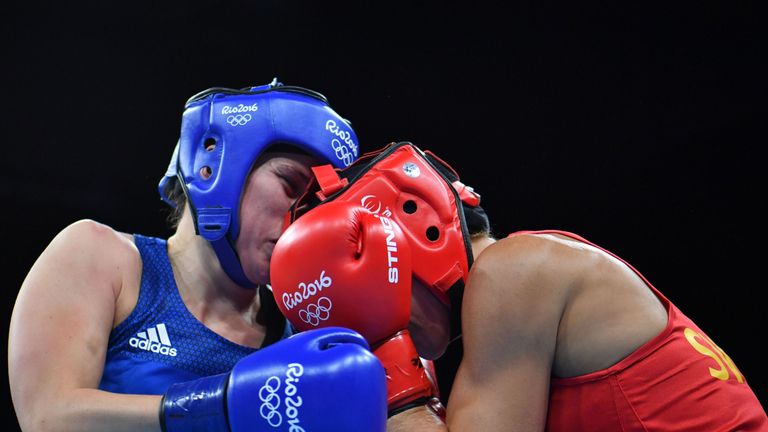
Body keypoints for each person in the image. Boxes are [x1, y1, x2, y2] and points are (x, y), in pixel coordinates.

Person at [268, 141, 768, 431]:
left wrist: (389, 372)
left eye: (355, 294)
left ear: (414, 229)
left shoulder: (514, 272)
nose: (363, 320)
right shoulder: (516, 297)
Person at [8, 79, 391, 432]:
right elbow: (47, 416)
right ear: (218, 170)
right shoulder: (101, 258)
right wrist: (218, 407)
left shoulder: (303, 340)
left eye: (318, 205)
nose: (303, 218)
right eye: (291, 184)